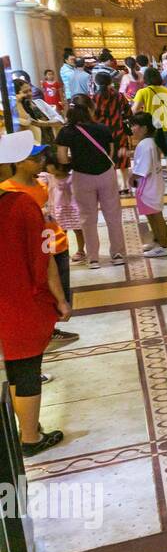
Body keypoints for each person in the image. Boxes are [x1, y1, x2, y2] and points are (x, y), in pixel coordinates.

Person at [0, 131, 72, 457]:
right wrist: (60, 300)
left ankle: (26, 427)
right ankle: (30, 437)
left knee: (16, 369)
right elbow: (44, 261)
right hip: (22, 301)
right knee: (27, 369)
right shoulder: (22, 206)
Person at [2, 140, 78, 344]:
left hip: (57, 243)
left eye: (41, 157)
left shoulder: (42, 183)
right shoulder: (8, 190)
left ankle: (50, 327)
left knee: (60, 288)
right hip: (37, 252)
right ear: (18, 162)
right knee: (43, 292)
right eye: (35, 159)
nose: (41, 161)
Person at [55, 99, 126, 269]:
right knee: (113, 216)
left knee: (88, 218)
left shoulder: (66, 132)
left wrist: (76, 160)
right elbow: (110, 152)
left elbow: (62, 158)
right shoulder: (103, 128)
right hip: (106, 174)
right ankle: (117, 254)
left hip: (82, 176)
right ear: (89, 111)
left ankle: (93, 258)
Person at [128, 113, 167, 258]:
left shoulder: (145, 144)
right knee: (152, 215)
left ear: (145, 128)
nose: (132, 128)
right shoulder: (150, 142)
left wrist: (131, 178)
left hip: (149, 187)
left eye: (134, 125)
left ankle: (164, 246)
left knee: (156, 215)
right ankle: (157, 241)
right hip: (150, 186)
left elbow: (142, 169)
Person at [132, 67, 167, 186]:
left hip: (151, 127)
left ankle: (155, 176)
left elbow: (134, 109)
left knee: (153, 152)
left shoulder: (143, 92)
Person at [91, 70, 133, 195]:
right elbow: (128, 113)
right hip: (118, 130)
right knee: (123, 158)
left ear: (96, 82)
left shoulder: (94, 98)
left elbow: (93, 116)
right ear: (110, 81)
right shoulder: (119, 96)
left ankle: (112, 186)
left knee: (108, 158)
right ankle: (124, 186)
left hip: (102, 133)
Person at [41, 156, 85, 263]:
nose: (47, 166)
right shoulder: (49, 178)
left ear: (60, 166)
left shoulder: (73, 177)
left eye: (50, 164)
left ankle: (81, 251)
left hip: (73, 209)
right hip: (57, 209)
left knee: (78, 230)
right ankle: (63, 250)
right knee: (60, 231)